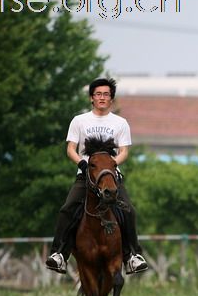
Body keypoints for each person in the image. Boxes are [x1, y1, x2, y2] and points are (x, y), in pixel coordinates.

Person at [45, 78, 149, 275]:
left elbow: (124, 151)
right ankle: (59, 254)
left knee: (129, 211)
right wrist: (82, 164)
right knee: (67, 209)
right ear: (92, 98)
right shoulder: (79, 120)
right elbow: (70, 149)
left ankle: (133, 256)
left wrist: (111, 166)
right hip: (86, 177)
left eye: (106, 94)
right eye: (98, 94)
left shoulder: (120, 123)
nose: (102, 97)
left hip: (110, 177)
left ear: (111, 99)